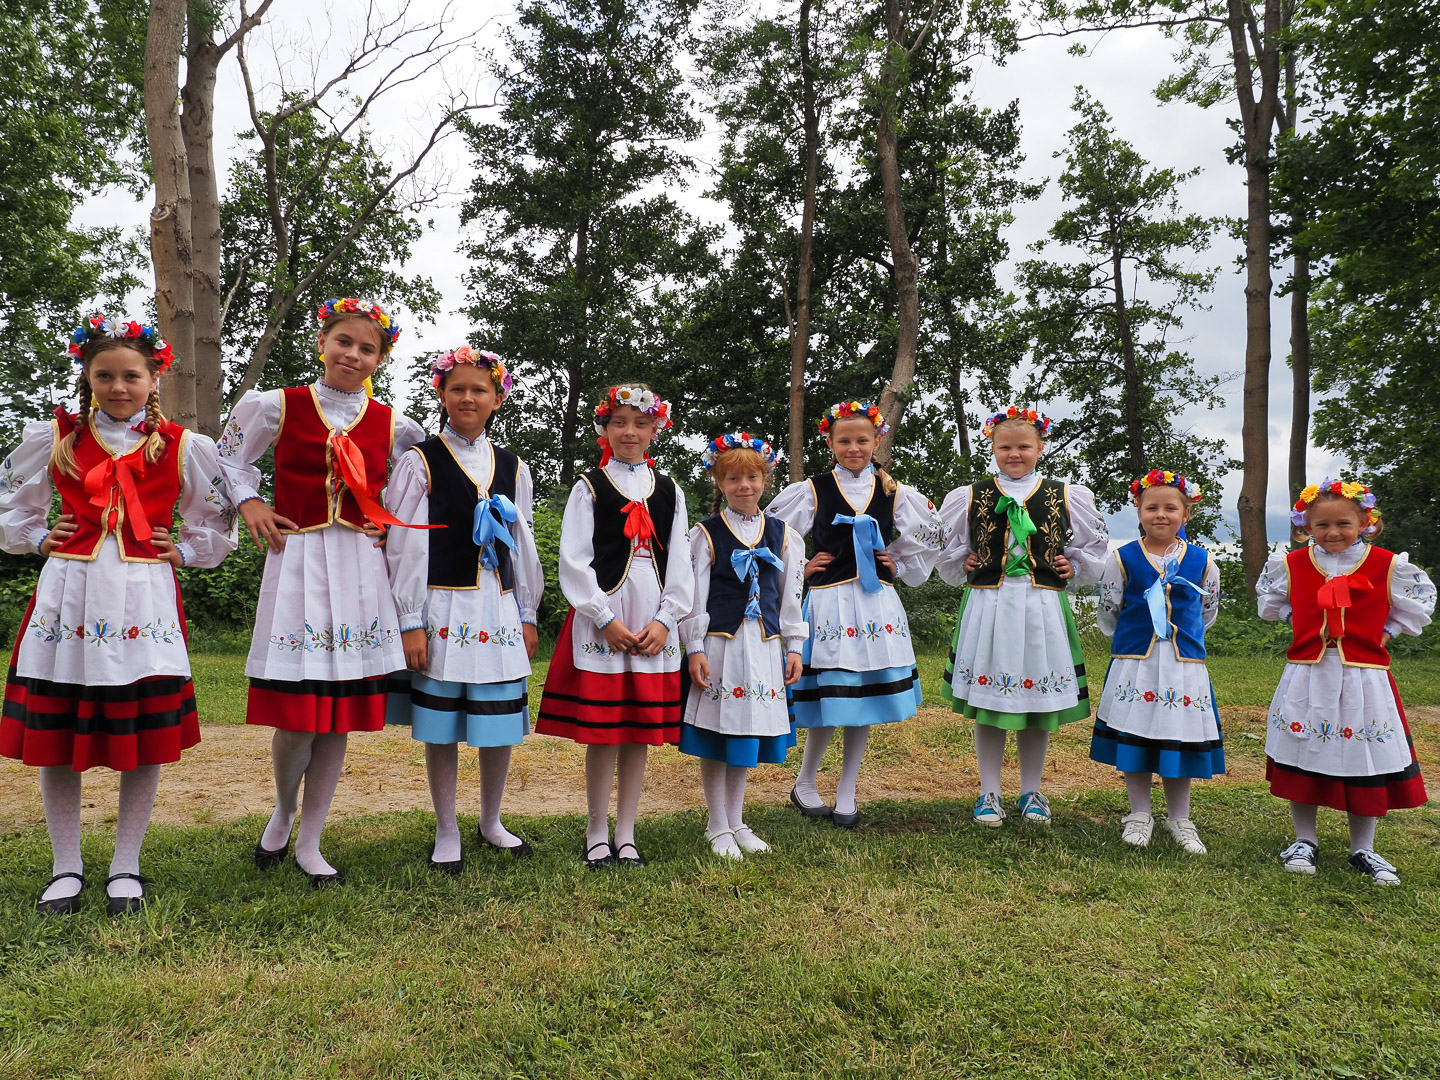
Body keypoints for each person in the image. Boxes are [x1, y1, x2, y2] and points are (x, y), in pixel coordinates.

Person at [0, 315, 235, 914]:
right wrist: (36, 537)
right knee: (58, 740)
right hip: (70, 598)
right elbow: (11, 502)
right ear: (88, 377)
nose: (118, 386)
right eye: (104, 375)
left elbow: (216, 515)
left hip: (141, 597)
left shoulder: (182, 446)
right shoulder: (56, 438)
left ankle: (125, 865)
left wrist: (186, 550)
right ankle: (66, 866)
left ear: (154, 379)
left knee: (142, 738)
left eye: (131, 375)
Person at [217, 297, 425, 885]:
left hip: (360, 568)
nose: (353, 354)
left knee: (336, 717)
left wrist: (394, 531)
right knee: (297, 718)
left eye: (367, 349)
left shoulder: (395, 425)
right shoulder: (277, 406)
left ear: (380, 360)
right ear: (322, 343)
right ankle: (284, 810)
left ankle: (311, 838)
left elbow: (416, 489)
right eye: (344, 342)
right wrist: (250, 502)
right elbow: (223, 459)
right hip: (300, 562)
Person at [383, 347, 542, 871]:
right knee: (443, 727)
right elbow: (405, 544)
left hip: (497, 608)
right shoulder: (420, 460)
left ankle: (491, 819)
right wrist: (410, 621)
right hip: (443, 607)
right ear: (442, 394)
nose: (468, 398)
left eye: (479, 390)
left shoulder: (513, 467)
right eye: (457, 389)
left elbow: (524, 544)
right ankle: (446, 827)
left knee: (498, 724)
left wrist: (527, 612)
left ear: (498, 398)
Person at [535, 384, 692, 869]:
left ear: (654, 430)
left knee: (638, 732)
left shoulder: (669, 490)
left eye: (640, 423)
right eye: (620, 422)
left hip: (653, 616)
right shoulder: (589, 486)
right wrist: (603, 618)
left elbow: (681, 562)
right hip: (604, 617)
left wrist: (666, 620)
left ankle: (627, 832)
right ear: (604, 428)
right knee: (604, 732)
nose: (629, 432)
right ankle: (596, 830)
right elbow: (574, 559)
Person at [768, 401, 946, 828]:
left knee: (861, 700)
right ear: (829, 443)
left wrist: (897, 560)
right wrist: (801, 565)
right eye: (844, 440)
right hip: (830, 603)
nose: (853, 448)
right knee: (832, 696)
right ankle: (806, 782)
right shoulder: (813, 489)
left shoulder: (892, 490)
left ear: (877, 440)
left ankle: (847, 789)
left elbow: (933, 534)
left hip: (875, 603)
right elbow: (772, 534)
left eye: (862, 440)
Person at [937, 406, 1108, 827]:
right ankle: (989, 791)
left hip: (1040, 606)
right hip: (989, 604)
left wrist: (1074, 563)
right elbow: (941, 543)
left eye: (1024, 447)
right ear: (993, 448)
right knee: (989, 702)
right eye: (1005, 447)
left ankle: (1032, 791)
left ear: (1040, 448)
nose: (1014, 454)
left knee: (1036, 704)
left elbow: (1097, 545)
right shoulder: (971, 495)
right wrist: (964, 558)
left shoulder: (1065, 494)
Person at [1257, 478, 1433, 884]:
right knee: (1303, 750)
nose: (1332, 532)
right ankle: (1304, 839)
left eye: (1343, 524)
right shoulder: (1292, 564)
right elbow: (1270, 599)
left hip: (1362, 676)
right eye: (1321, 525)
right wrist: (1292, 617)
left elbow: (1420, 602)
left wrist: (1387, 632)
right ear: (1306, 527)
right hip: (1309, 672)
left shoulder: (1387, 565)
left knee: (1364, 755)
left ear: (1365, 523)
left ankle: (1363, 847)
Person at [680, 433, 806, 859]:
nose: (744, 486)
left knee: (746, 733)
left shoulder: (783, 535)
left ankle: (736, 820)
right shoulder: (705, 534)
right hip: (721, 646)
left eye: (752, 477)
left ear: (765, 479)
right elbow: (694, 596)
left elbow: (791, 595)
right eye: (733, 478)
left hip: (764, 646)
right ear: (719, 482)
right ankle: (716, 824)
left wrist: (794, 645)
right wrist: (694, 646)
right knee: (720, 732)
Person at [1089, 470, 1223, 852]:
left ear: (1186, 514)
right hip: (1137, 663)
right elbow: (1110, 608)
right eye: (1152, 508)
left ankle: (1180, 817)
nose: (1160, 515)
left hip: (1182, 666)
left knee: (1178, 736)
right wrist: (1136, 637)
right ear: (1139, 511)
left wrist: (1180, 638)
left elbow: (1207, 610)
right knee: (1137, 737)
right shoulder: (1122, 558)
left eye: (1170, 508)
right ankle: (1139, 814)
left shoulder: (1203, 561)